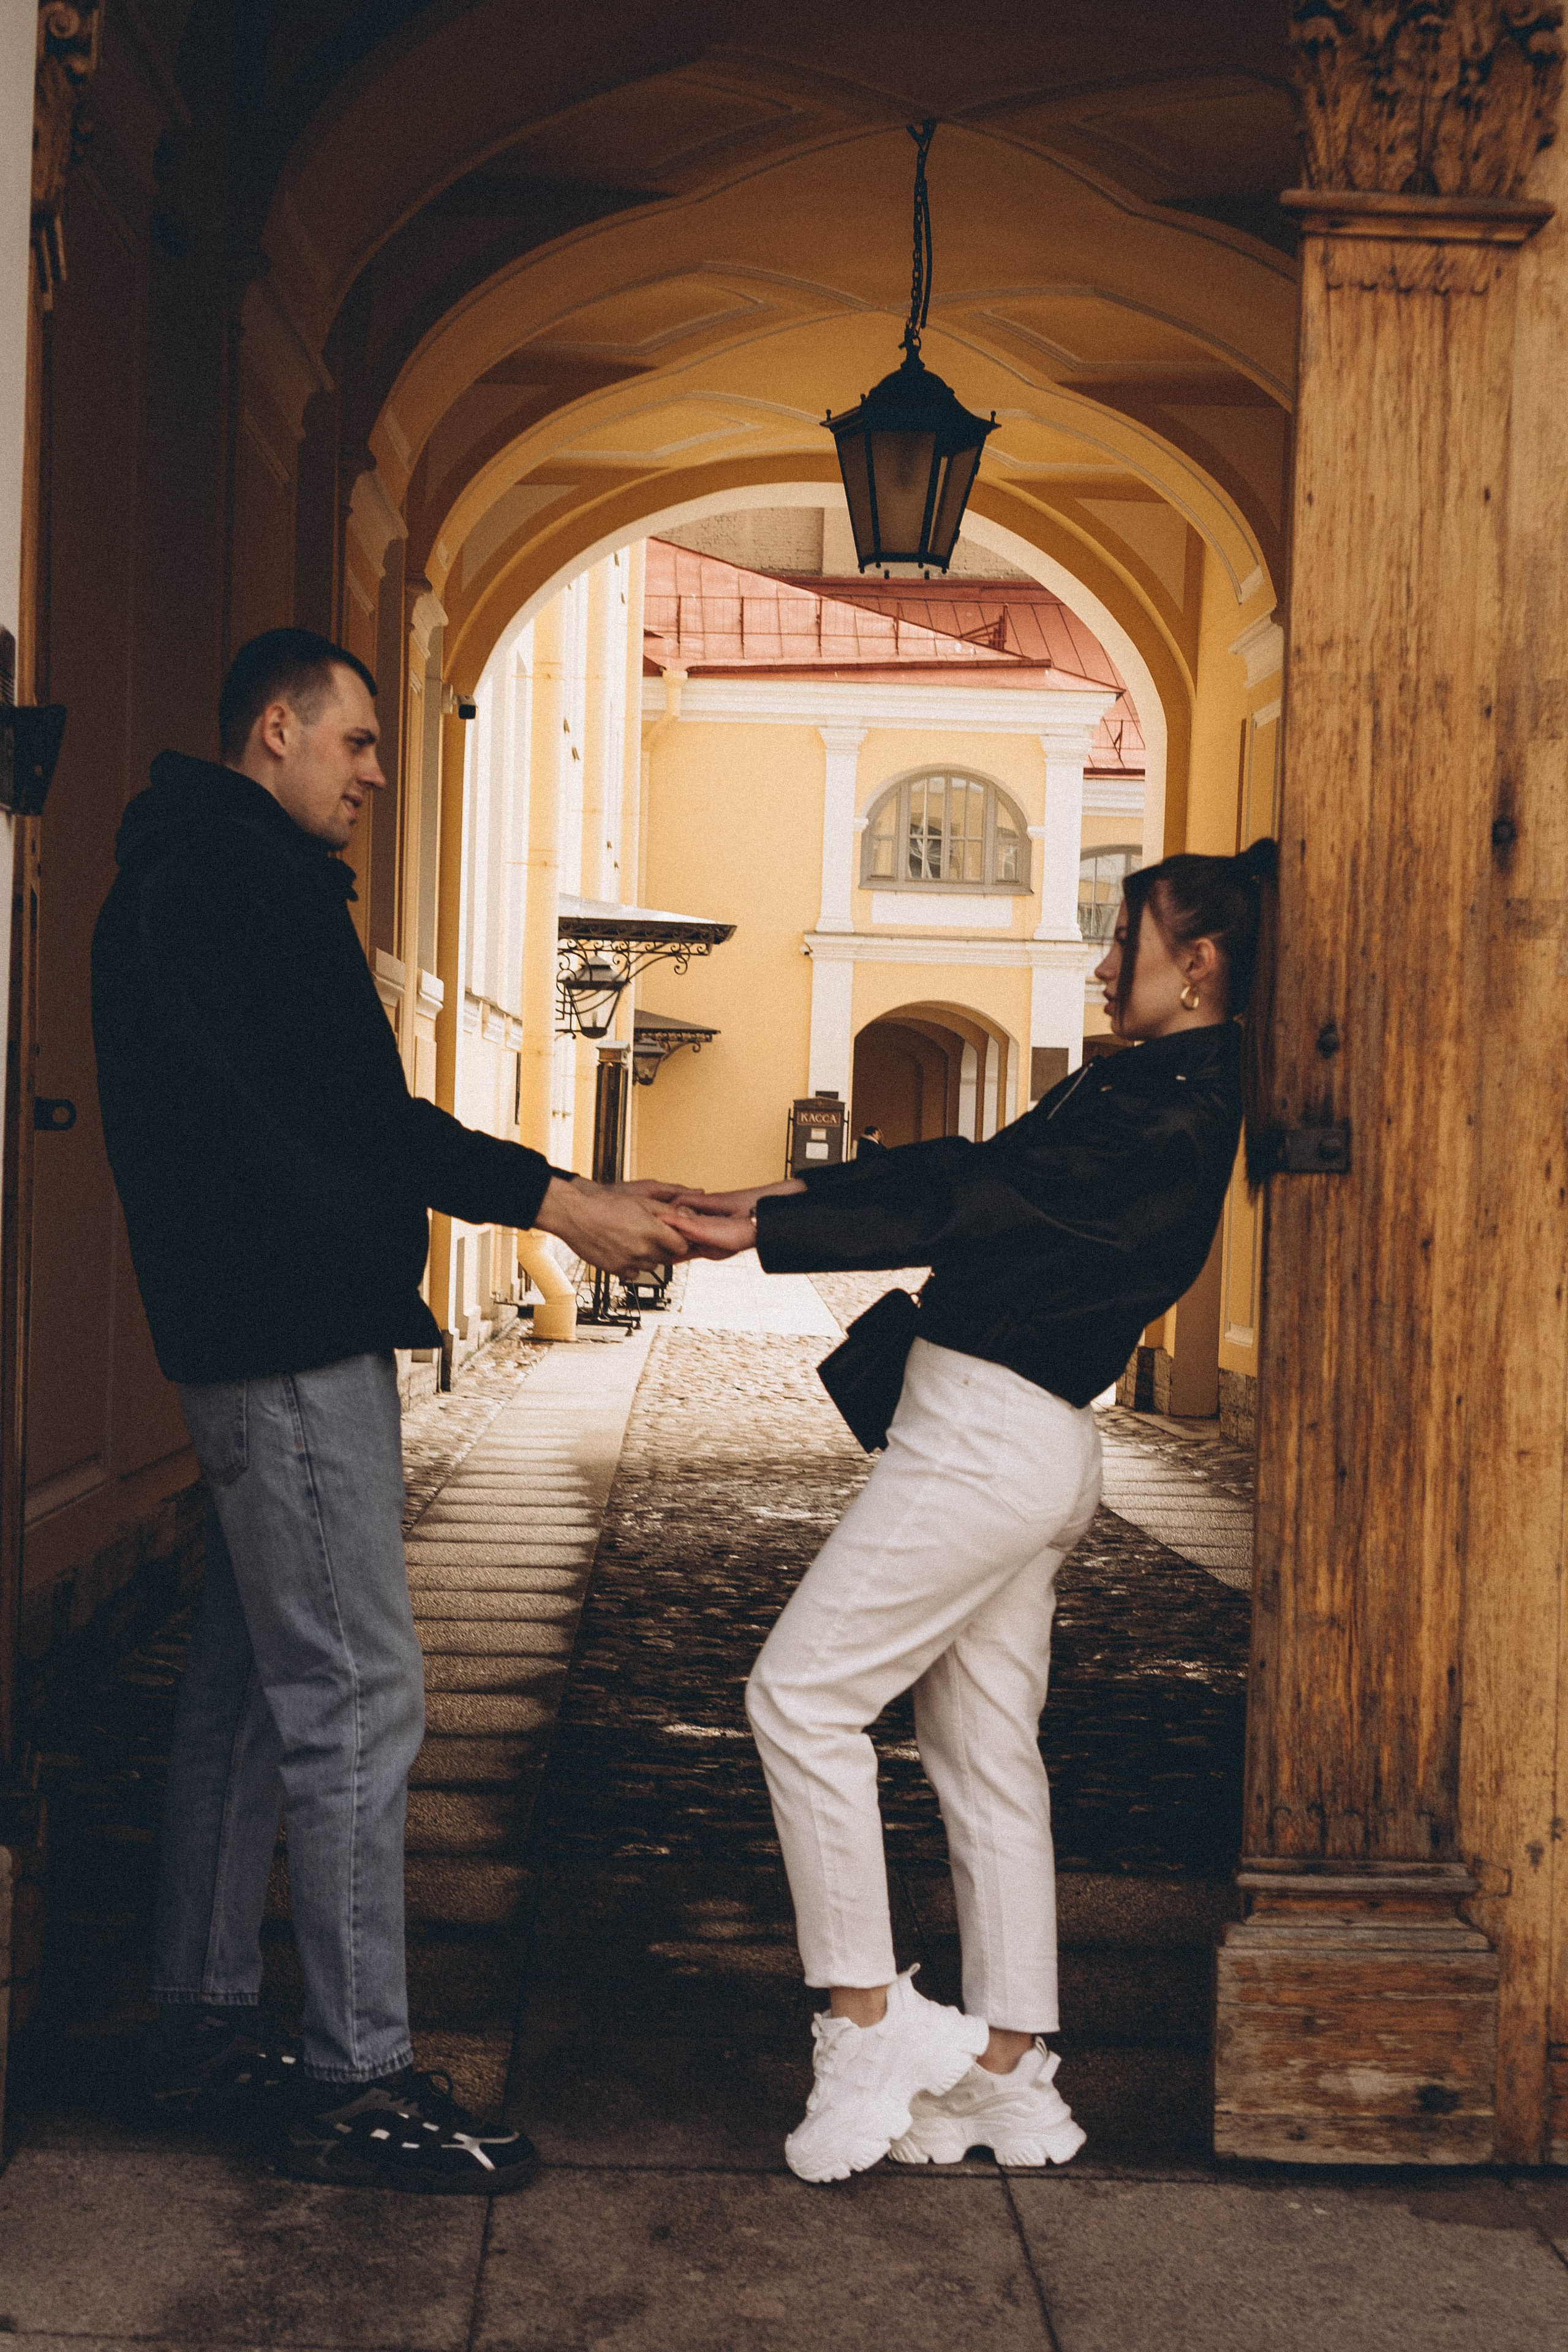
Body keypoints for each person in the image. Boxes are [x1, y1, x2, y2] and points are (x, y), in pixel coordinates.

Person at [92, 628, 688, 2195]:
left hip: (246, 1325)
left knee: (244, 1684)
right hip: (286, 1334)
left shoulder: (190, 867)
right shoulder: (234, 882)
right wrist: (554, 1198)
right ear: (275, 728)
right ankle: (359, 2076)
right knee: (360, 1691)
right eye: (355, 742)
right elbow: (355, 1117)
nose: (372, 773)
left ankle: (206, 2022)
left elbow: (305, 1112)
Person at [666, 843, 1278, 2182]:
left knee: (799, 1699)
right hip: (1010, 1439)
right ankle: (1008, 2072)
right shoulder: (1144, 1091)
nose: (1105, 964)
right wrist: (759, 1199)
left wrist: (754, 1238)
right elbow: (959, 1161)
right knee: (983, 1754)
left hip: (986, 1445)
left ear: (1202, 964)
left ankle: (866, 2019)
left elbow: (968, 1199)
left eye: (1127, 939)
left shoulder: (1166, 1115)